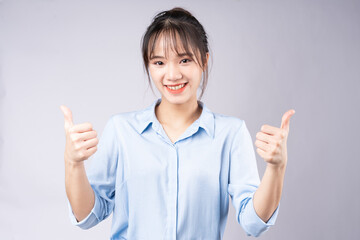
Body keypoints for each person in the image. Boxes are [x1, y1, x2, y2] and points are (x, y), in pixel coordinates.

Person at [60, 7, 295, 240]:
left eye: (184, 60)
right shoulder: (121, 130)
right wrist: (73, 163)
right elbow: (87, 216)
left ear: (204, 60)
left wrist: (277, 168)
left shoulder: (230, 134)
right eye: (159, 63)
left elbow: (253, 223)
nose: (172, 75)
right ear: (148, 66)